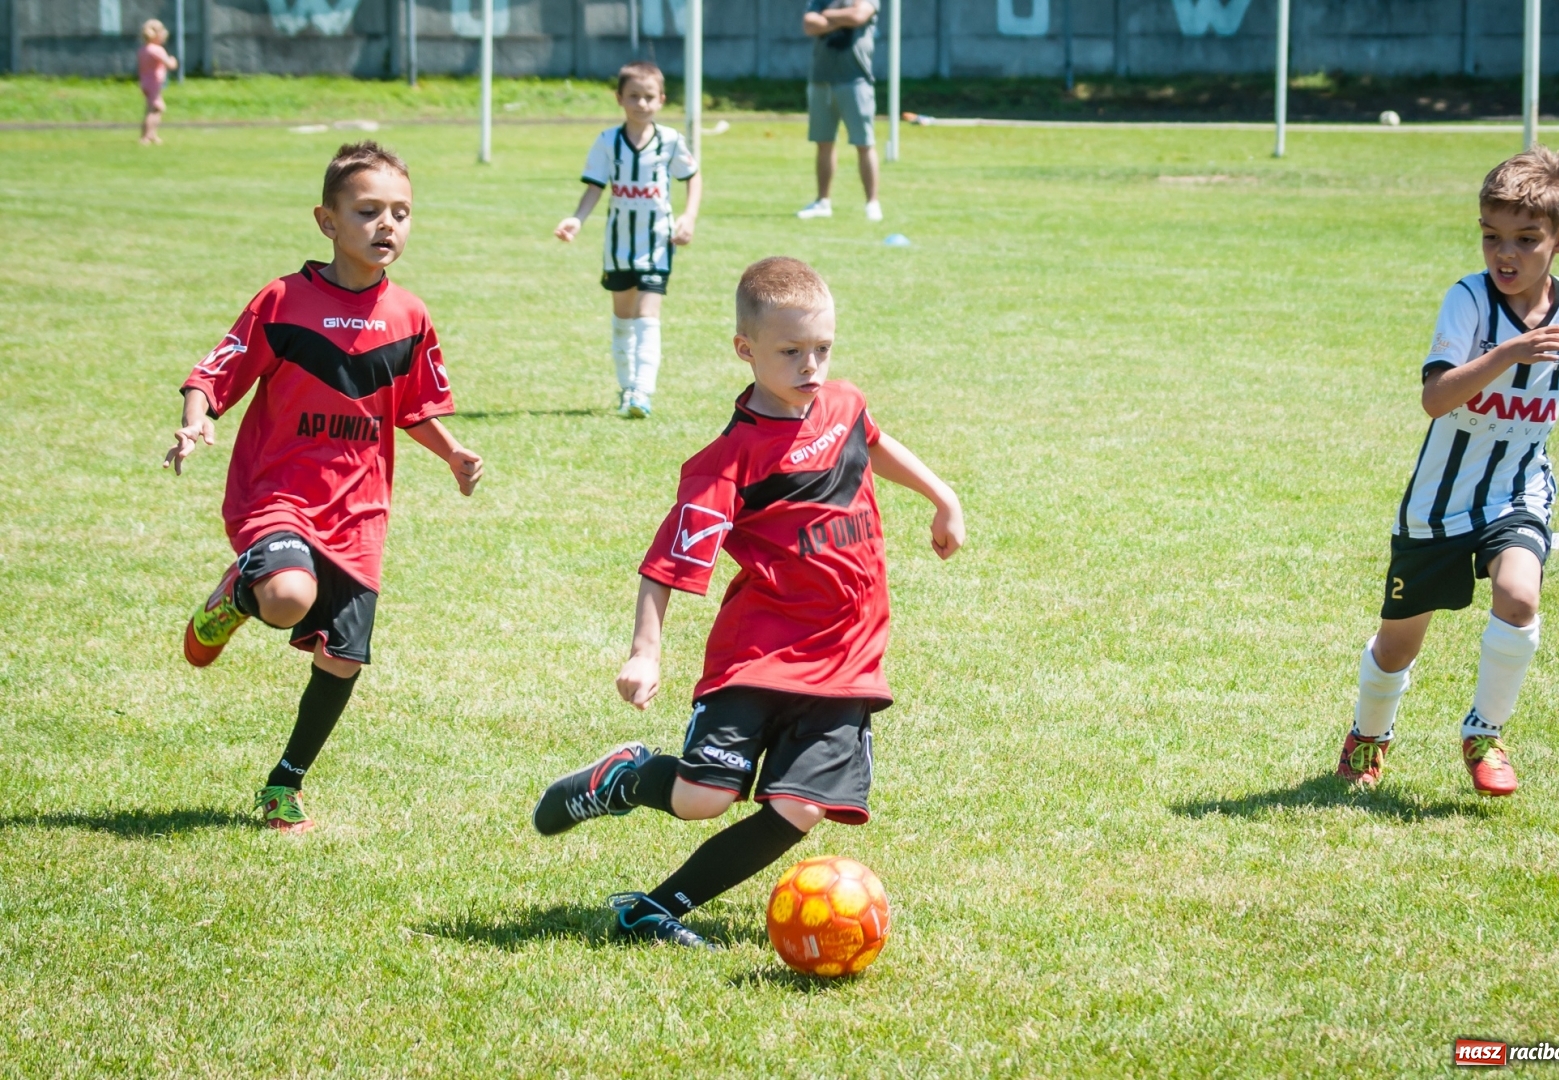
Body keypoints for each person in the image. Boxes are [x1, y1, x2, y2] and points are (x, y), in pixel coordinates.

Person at [531, 257, 965, 947]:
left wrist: (943, 497)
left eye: (822, 348)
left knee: (799, 807)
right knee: (704, 799)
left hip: (848, 659)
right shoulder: (727, 462)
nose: (811, 365)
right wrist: (646, 653)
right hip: (758, 655)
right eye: (791, 352)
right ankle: (626, 777)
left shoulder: (844, 404)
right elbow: (665, 564)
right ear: (746, 350)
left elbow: (873, 441)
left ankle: (655, 909)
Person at [163, 141, 483, 833]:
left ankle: (285, 782)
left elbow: (413, 407)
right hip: (277, 495)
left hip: (361, 514)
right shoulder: (283, 301)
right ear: (327, 221)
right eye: (368, 211)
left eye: (400, 212)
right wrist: (197, 423)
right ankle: (240, 592)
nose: (386, 225)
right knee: (286, 597)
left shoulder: (410, 316)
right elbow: (213, 374)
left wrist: (452, 453)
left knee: (341, 661)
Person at [1337, 146, 1559, 798]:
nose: (1505, 255)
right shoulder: (1468, 300)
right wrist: (1511, 352)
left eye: (1525, 239)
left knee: (1519, 596)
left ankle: (1484, 731)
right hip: (1438, 502)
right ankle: (1368, 735)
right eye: (1492, 238)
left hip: (1518, 490)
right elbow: (1436, 399)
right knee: (1398, 647)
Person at [555, 61, 701, 419]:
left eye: (649, 97)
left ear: (661, 100)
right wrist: (577, 219)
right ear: (619, 98)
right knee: (623, 317)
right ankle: (626, 388)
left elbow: (693, 177)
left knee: (647, 314)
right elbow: (594, 188)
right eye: (633, 96)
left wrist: (688, 217)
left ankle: (642, 393)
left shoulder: (670, 141)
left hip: (657, 244)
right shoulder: (607, 142)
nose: (642, 103)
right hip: (618, 246)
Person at [797, 0, 883, 222]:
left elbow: (858, 17)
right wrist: (839, 18)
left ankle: (872, 203)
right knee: (823, 142)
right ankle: (822, 201)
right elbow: (808, 24)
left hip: (855, 81)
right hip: (821, 81)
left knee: (864, 143)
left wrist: (826, 16)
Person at [137, 19, 179, 146]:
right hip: (155, 83)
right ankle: (147, 137)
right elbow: (169, 64)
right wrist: (173, 61)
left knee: (150, 108)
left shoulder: (143, 50)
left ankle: (152, 134)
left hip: (145, 82)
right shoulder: (157, 50)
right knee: (157, 108)